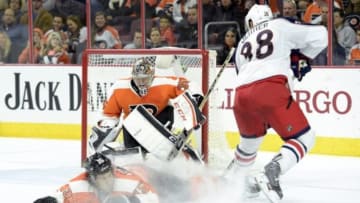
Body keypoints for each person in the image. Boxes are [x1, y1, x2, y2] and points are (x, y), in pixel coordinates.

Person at [227, 4, 328, 203]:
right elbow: (321, 35)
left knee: (249, 144)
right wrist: (302, 57)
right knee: (305, 138)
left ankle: (231, 181)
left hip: (240, 96)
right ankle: (272, 172)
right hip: (270, 88)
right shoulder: (279, 25)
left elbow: (244, 74)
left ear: (249, 22)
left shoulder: (241, 44)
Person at [88, 58, 204, 159]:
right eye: (138, 79)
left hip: (160, 124)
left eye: (145, 79)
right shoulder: (119, 88)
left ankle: (179, 149)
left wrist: (195, 96)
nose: (142, 82)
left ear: (152, 77)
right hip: (133, 128)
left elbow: (189, 84)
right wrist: (104, 130)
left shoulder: (164, 83)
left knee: (167, 109)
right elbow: (110, 115)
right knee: (133, 157)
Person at [33, 152, 159, 203]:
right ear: (92, 178)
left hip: (154, 176)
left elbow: (153, 198)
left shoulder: (127, 182)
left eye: (109, 175)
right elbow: (55, 198)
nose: (108, 181)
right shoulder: (78, 185)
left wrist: (131, 200)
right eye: (102, 178)